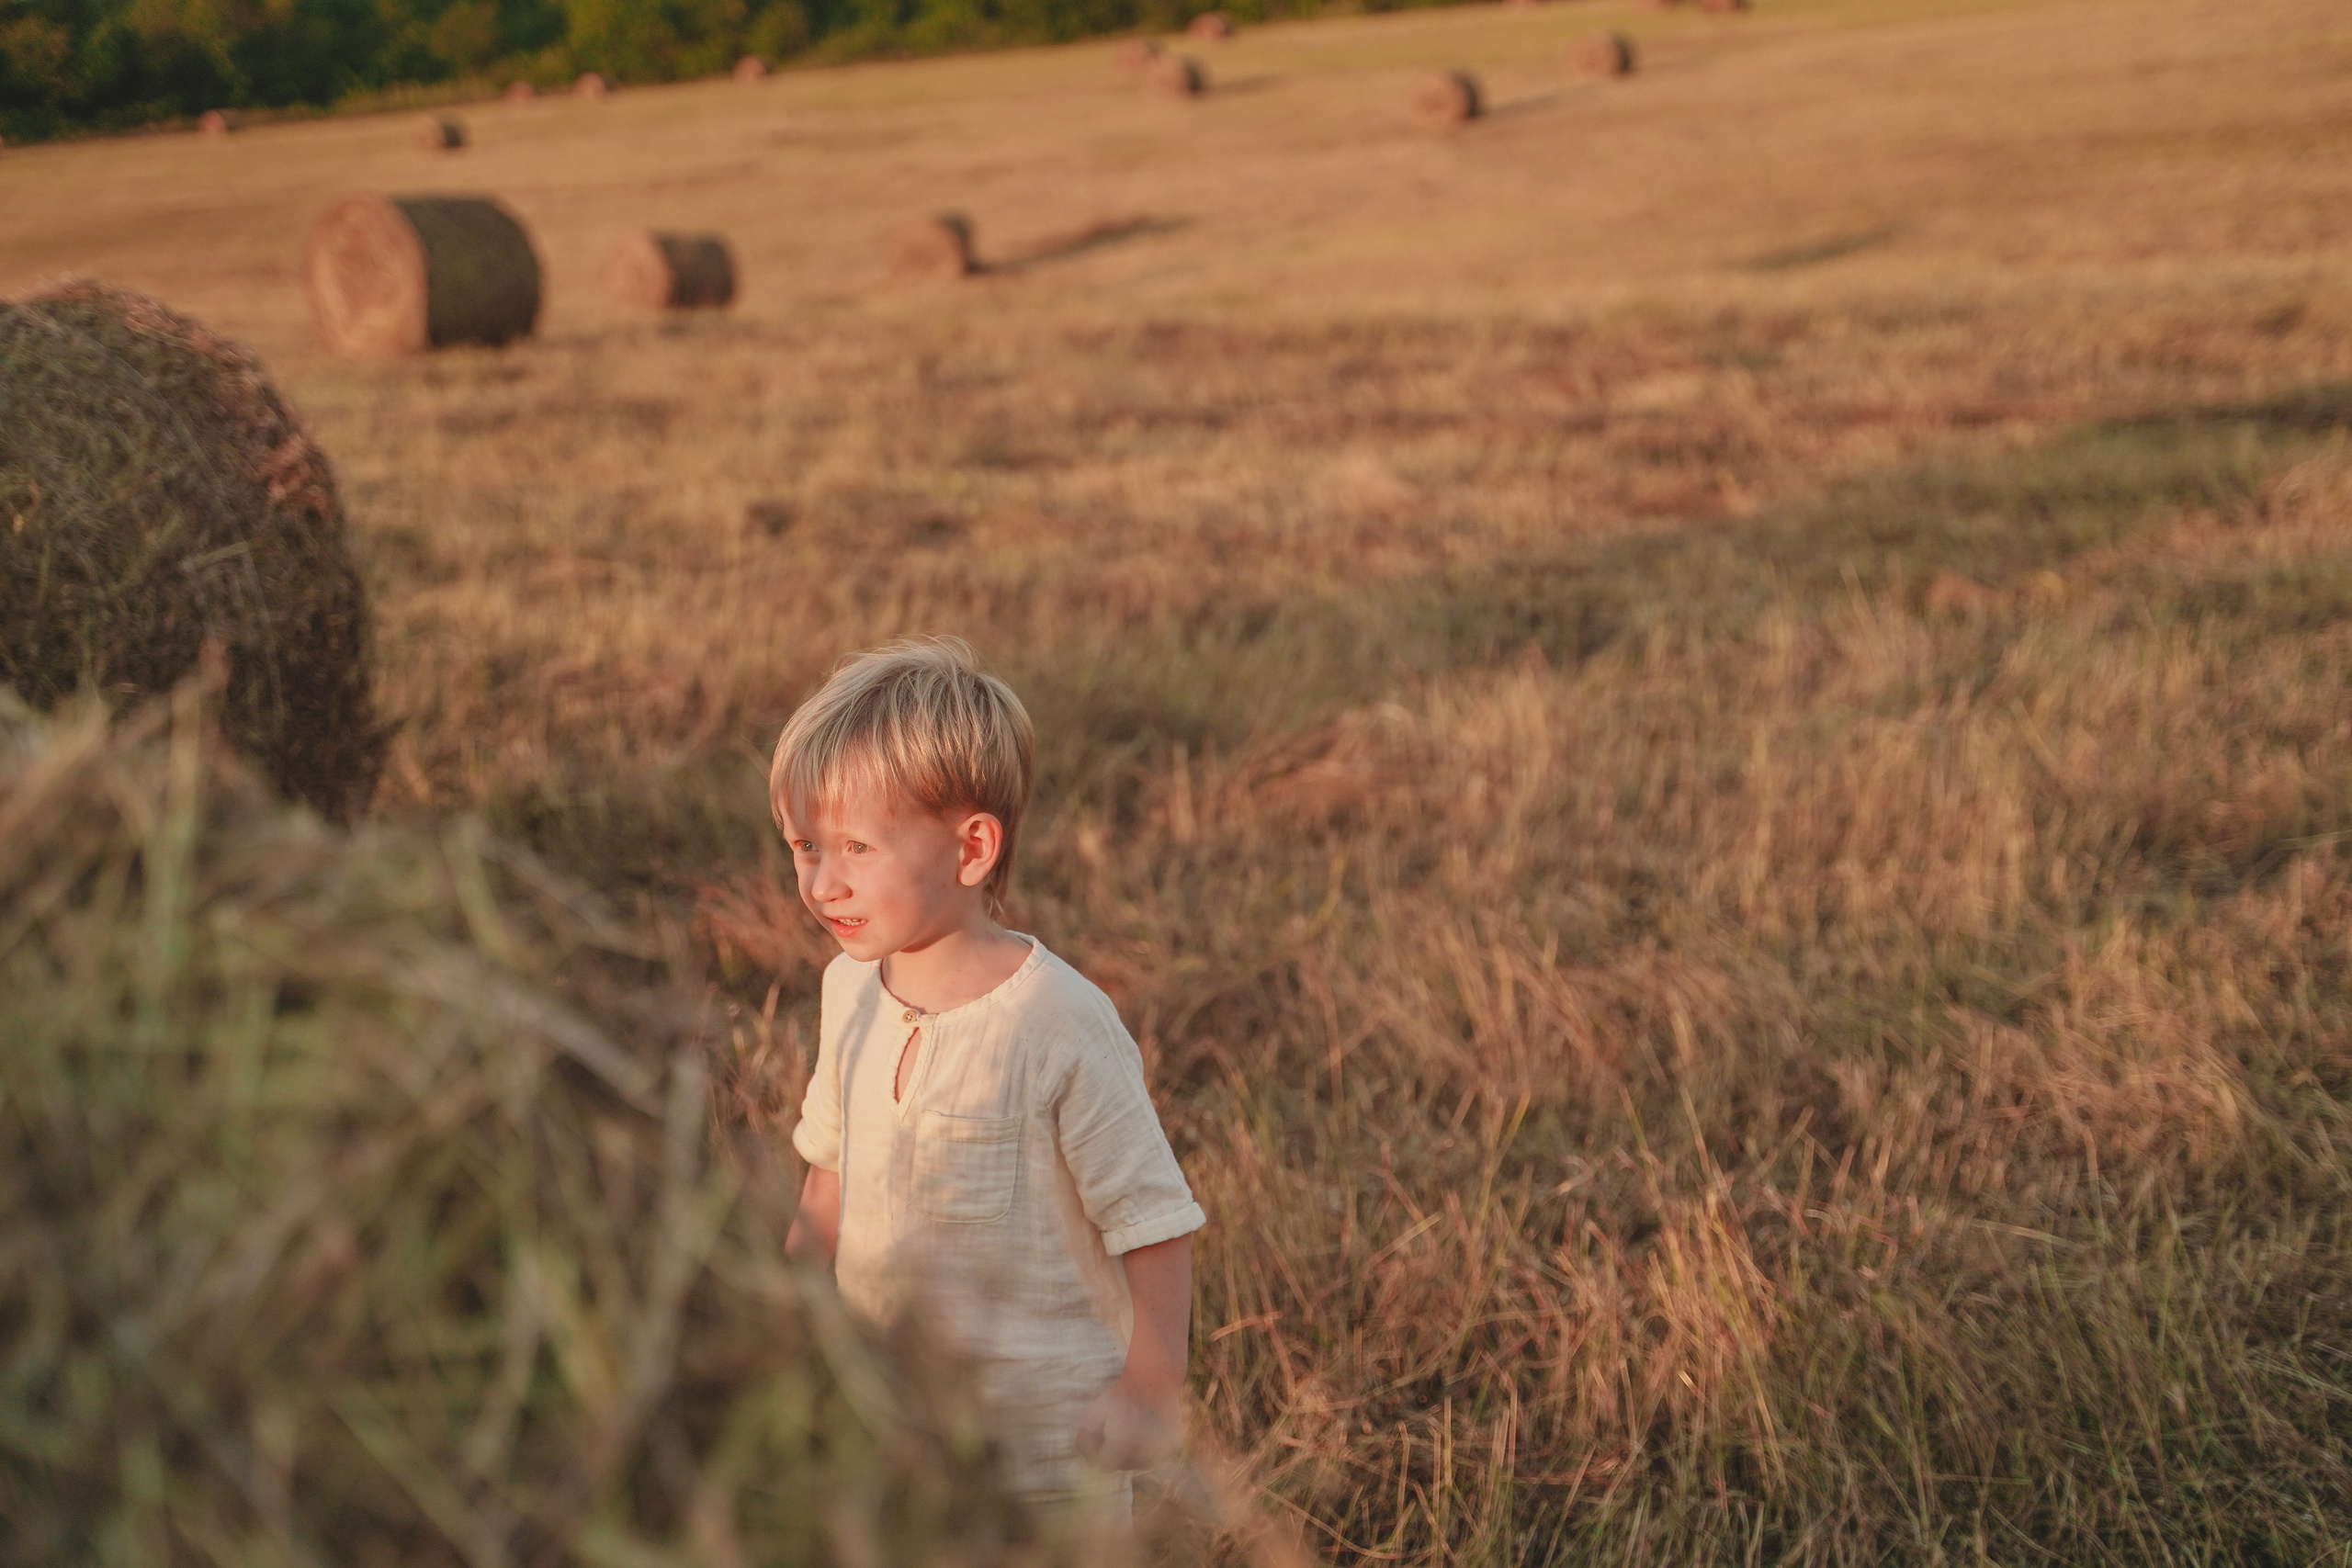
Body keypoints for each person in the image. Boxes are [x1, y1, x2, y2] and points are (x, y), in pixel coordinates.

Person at [773, 637, 1205, 1529]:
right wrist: (782, 1314)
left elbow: (1153, 1224)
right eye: (802, 845)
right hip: (884, 1431)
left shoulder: (1054, 1020)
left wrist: (1148, 1391)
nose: (822, 882)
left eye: (855, 846)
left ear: (971, 848)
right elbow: (830, 1176)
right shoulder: (847, 988)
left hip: (1043, 1463)